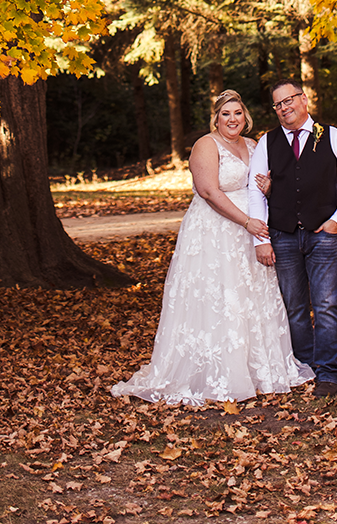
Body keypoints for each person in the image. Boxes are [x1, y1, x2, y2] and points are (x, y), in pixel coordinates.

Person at [111, 89, 314, 407]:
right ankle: (216, 373)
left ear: (245, 117)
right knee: (220, 295)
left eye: (237, 113)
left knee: (253, 296)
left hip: (254, 228)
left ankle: (259, 369)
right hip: (217, 230)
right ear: (216, 119)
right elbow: (208, 191)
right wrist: (245, 222)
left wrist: (268, 190)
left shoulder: (254, 144)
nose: (232, 119)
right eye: (225, 114)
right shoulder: (206, 145)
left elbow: (265, 184)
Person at [246, 80, 337, 400]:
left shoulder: (331, 136)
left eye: (289, 100)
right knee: (294, 307)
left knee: (326, 305)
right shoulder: (267, 143)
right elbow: (255, 191)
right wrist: (261, 241)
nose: (285, 108)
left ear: (304, 99)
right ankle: (305, 366)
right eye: (278, 104)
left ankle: (328, 372)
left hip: (322, 235)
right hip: (282, 236)